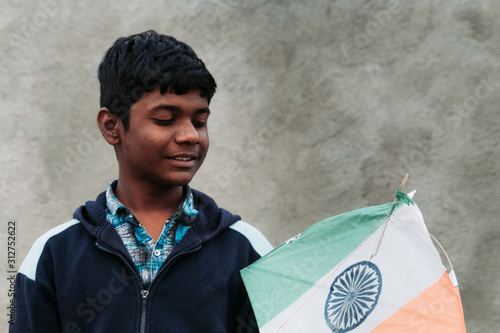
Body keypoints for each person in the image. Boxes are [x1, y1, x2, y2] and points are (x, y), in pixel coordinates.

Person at [10, 30, 272, 333]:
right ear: (111, 127)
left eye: (200, 121)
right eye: (165, 119)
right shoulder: (54, 254)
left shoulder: (246, 250)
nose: (190, 135)